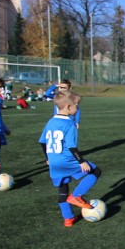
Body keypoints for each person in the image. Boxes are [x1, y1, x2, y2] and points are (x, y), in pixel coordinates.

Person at [39, 90, 102, 227]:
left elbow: (42, 142)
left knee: (63, 189)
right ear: (68, 107)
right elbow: (72, 146)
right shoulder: (69, 123)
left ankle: (68, 219)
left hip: (54, 162)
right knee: (95, 171)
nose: (77, 108)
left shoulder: (50, 121)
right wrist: (81, 161)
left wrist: (47, 158)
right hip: (67, 160)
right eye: (76, 106)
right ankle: (76, 196)